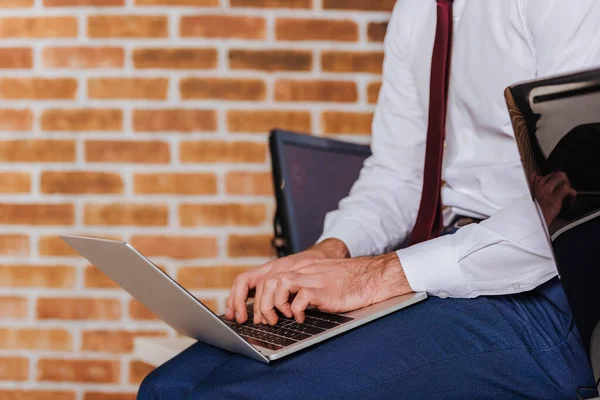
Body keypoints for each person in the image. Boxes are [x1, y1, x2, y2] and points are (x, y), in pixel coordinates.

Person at [139, 1, 600, 398]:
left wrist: (375, 277)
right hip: (443, 262)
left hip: (552, 294)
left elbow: (575, 206)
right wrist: (329, 251)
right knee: (169, 388)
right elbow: (396, 175)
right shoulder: (419, 10)